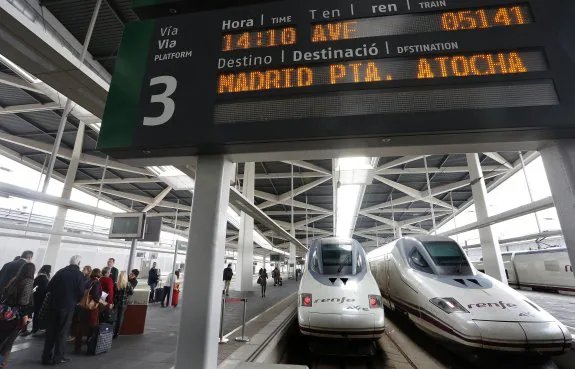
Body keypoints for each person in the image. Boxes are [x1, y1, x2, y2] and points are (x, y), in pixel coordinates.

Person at [42, 255, 85, 365]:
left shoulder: (61, 271)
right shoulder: (79, 275)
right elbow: (81, 293)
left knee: (51, 331)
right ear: (79, 263)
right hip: (68, 306)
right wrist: (74, 300)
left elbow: (49, 287)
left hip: (54, 305)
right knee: (62, 332)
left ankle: (46, 356)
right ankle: (58, 357)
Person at [0, 263, 34, 368]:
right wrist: (25, 318)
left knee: (2, 340)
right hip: (14, 316)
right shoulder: (28, 282)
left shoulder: (15, 279)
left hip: (4, 313)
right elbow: (23, 302)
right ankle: (2, 364)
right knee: (8, 344)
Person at [74, 269, 102, 354]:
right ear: (98, 275)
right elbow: (95, 296)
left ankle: (77, 346)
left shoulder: (87, 281)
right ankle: (90, 346)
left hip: (83, 306)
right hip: (91, 308)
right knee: (92, 327)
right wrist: (100, 301)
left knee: (81, 327)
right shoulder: (96, 283)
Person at [30, 265, 51, 335]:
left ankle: (35, 328)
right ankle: (36, 328)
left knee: (36, 313)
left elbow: (33, 285)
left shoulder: (41, 276)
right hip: (42, 297)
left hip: (38, 296)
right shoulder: (45, 277)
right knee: (38, 313)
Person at [113, 271, 133, 338]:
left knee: (114, 318)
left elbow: (113, 294)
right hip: (124, 303)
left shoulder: (116, 284)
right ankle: (117, 333)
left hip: (116, 303)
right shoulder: (128, 284)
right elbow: (131, 293)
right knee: (120, 318)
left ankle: (111, 332)